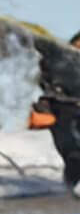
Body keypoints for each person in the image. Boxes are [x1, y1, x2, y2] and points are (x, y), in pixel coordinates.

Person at [35, 29, 80, 196]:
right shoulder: (61, 56)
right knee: (71, 151)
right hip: (63, 108)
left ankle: (74, 183)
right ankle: (73, 184)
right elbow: (44, 47)